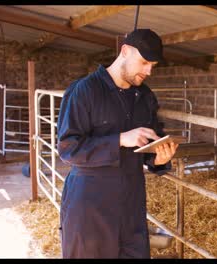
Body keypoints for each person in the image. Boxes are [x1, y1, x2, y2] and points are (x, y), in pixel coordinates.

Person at [57, 28, 179, 258]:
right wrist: (121, 139)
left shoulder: (144, 97)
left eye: (152, 65)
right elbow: (68, 149)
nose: (149, 71)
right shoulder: (85, 90)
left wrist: (159, 159)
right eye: (144, 62)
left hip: (131, 202)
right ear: (124, 51)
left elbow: (150, 146)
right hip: (90, 203)